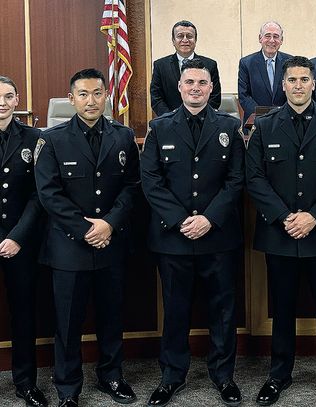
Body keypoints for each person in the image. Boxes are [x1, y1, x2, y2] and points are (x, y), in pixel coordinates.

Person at [246, 56, 316, 407]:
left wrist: (314, 217)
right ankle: (279, 375)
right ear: (283, 84)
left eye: (304, 79)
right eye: (291, 80)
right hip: (280, 233)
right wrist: (283, 217)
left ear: (314, 83)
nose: (297, 85)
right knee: (282, 308)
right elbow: (254, 178)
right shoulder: (264, 125)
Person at [141, 59, 244, 407]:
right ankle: (171, 376)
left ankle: (223, 375)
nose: (196, 88)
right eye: (190, 82)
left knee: (223, 310)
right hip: (173, 237)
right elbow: (151, 181)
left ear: (212, 88)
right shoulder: (160, 127)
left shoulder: (229, 125)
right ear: (180, 87)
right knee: (175, 309)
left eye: (202, 82)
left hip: (219, 236)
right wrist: (183, 220)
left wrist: (209, 219)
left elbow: (236, 180)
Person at [34, 68, 140, 407]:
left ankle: (112, 376)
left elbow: (131, 187)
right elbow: (49, 194)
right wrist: (87, 229)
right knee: (68, 323)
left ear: (106, 96)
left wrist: (108, 224)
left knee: (112, 315)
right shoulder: (51, 139)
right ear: (71, 99)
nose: (90, 100)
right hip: (69, 247)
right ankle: (67, 388)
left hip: (112, 242)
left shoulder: (123, 136)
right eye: (83, 94)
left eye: (97, 93)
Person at [0, 76, 46, 407]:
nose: (1, 102)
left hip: (21, 243)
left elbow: (38, 195)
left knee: (24, 313)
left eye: (8, 96)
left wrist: (17, 236)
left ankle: (26, 383)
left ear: (18, 101)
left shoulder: (35, 138)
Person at [150, 20, 222, 116]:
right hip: (170, 122)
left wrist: (199, 116)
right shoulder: (160, 65)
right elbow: (156, 98)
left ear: (195, 40)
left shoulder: (210, 65)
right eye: (180, 36)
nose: (185, 40)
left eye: (189, 36)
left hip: (203, 121)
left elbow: (215, 97)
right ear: (173, 41)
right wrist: (170, 118)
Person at [238, 21, 292, 126]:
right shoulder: (246, 63)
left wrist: (283, 114)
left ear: (281, 40)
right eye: (267, 36)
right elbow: (244, 95)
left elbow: (293, 91)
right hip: (255, 122)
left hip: (285, 120)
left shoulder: (290, 62)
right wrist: (262, 116)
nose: (272, 40)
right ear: (260, 38)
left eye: (276, 36)